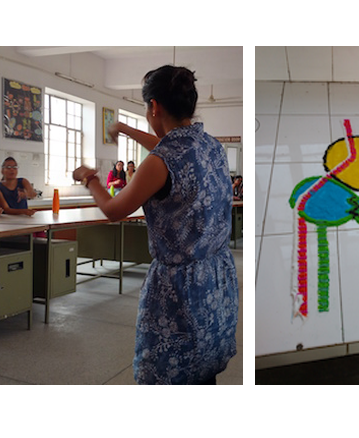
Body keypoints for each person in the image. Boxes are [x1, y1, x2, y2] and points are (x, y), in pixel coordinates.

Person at [73, 65, 239, 385]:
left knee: (170, 370)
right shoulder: (211, 146)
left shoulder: (160, 162)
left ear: (154, 107)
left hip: (180, 288)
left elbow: (113, 209)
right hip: (216, 274)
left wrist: (89, 178)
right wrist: (126, 130)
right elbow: (170, 147)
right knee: (202, 364)